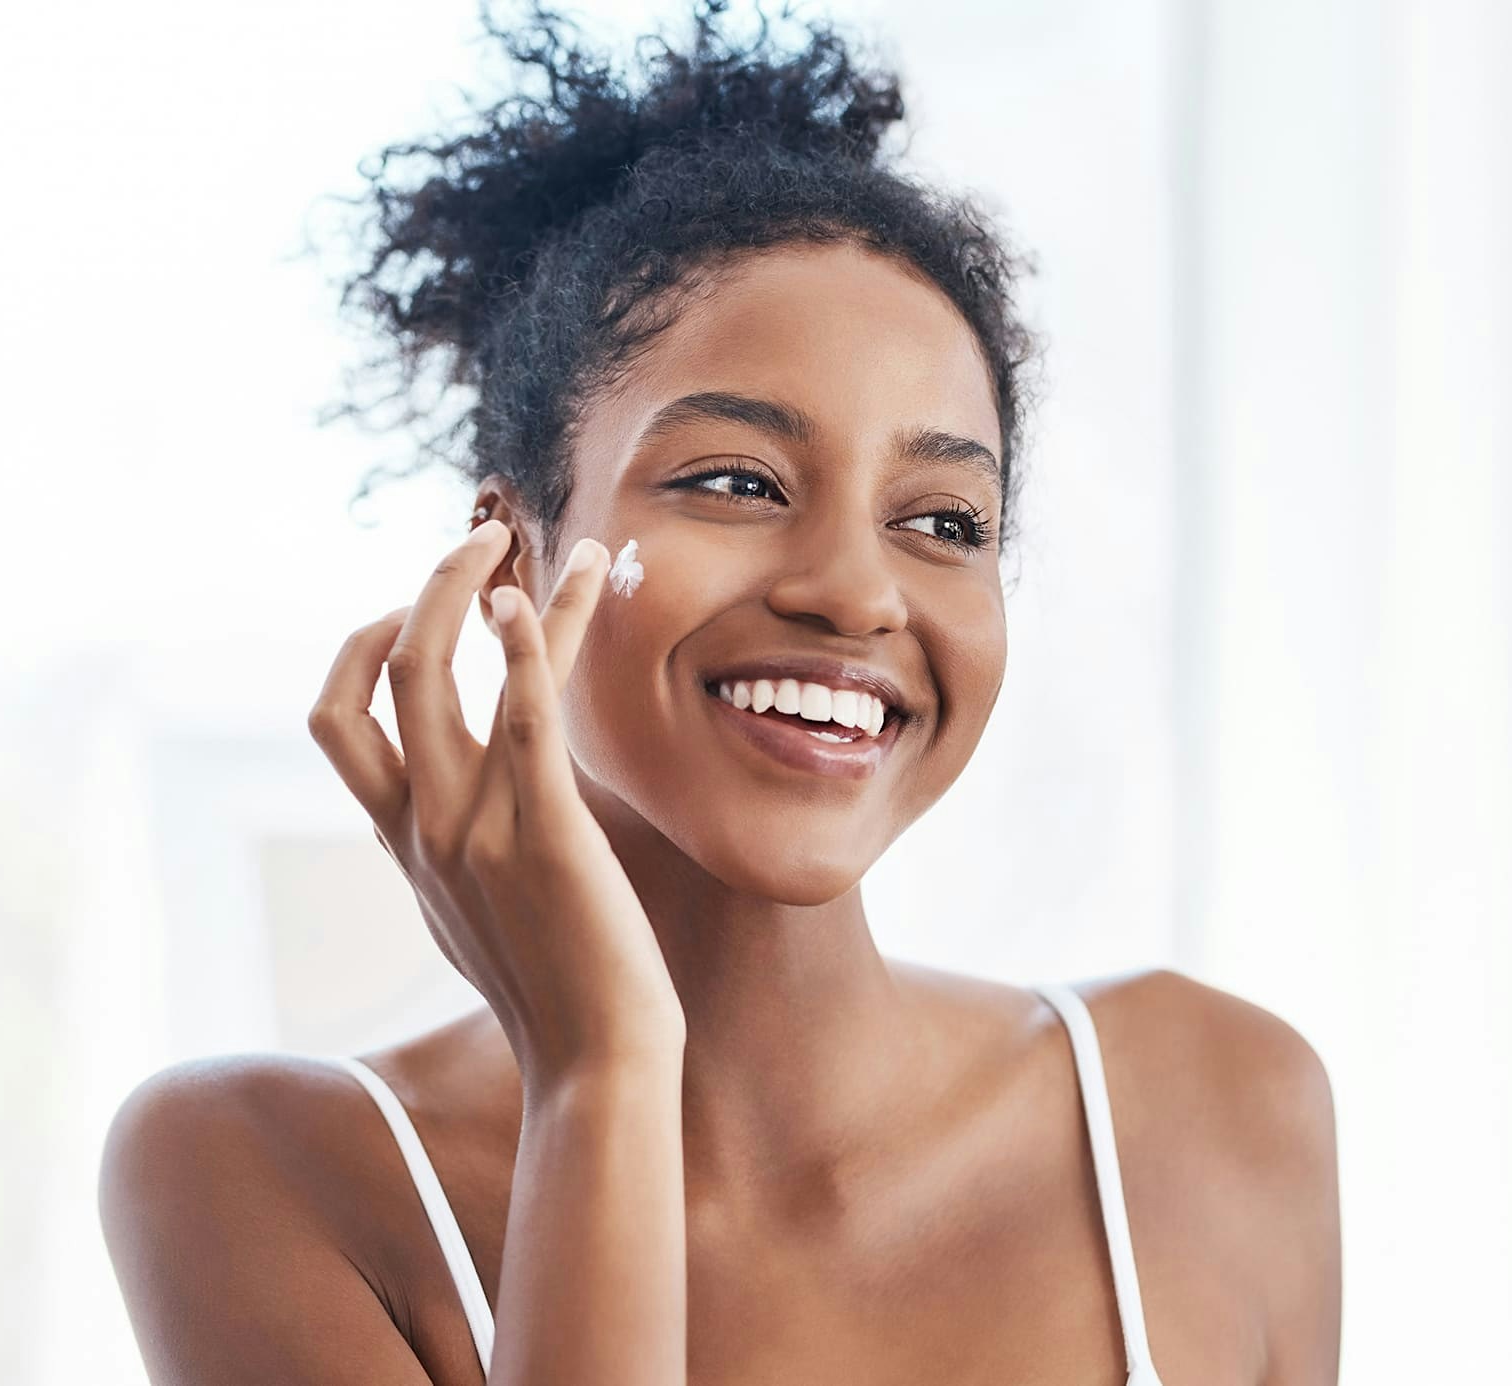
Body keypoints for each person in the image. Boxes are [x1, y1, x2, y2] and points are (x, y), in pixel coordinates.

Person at [98, 3, 1342, 1382]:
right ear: (513, 554)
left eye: (943, 519)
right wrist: (603, 1073)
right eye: (740, 483)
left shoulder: (1216, 1106)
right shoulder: (260, 1173)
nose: (857, 592)